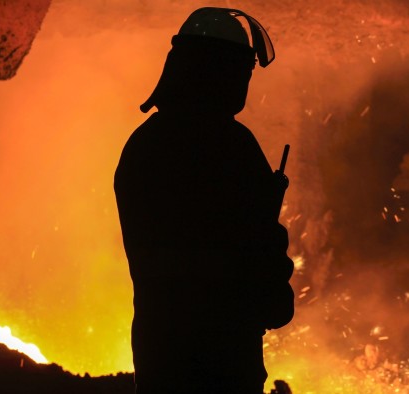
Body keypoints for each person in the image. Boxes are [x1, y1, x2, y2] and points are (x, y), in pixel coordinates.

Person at [114, 7, 294, 394]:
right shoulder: (230, 146)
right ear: (220, 71)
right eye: (242, 71)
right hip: (224, 360)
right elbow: (250, 250)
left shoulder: (145, 143)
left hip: (160, 354)